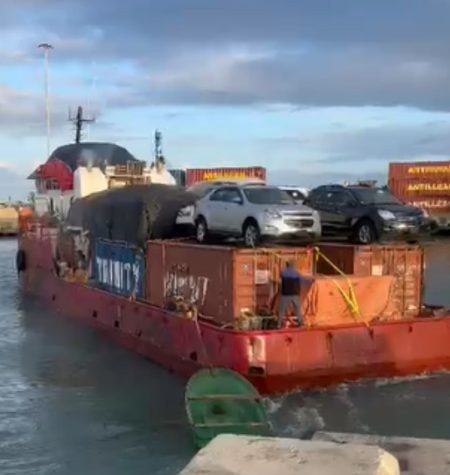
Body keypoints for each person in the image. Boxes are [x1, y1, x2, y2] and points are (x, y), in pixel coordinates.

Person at [278, 260, 309, 327]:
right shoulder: (297, 273)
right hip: (295, 295)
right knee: (297, 309)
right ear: (293, 265)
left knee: (281, 310)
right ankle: (301, 323)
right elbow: (303, 281)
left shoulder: (283, 273)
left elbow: (280, 277)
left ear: (287, 265)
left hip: (285, 295)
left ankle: (278, 324)